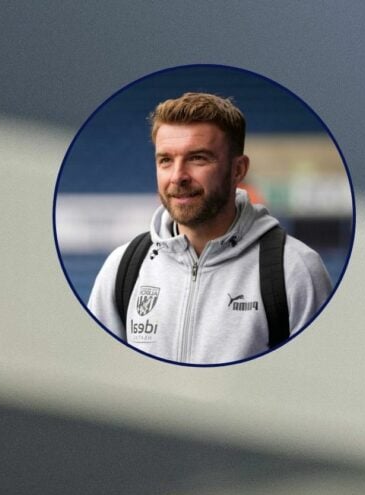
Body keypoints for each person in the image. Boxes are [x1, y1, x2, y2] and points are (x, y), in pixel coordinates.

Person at [86, 92, 332, 364]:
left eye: (198, 158)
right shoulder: (122, 267)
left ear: (238, 170)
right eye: (165, 160)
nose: (178, 176)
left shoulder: (295, 270)